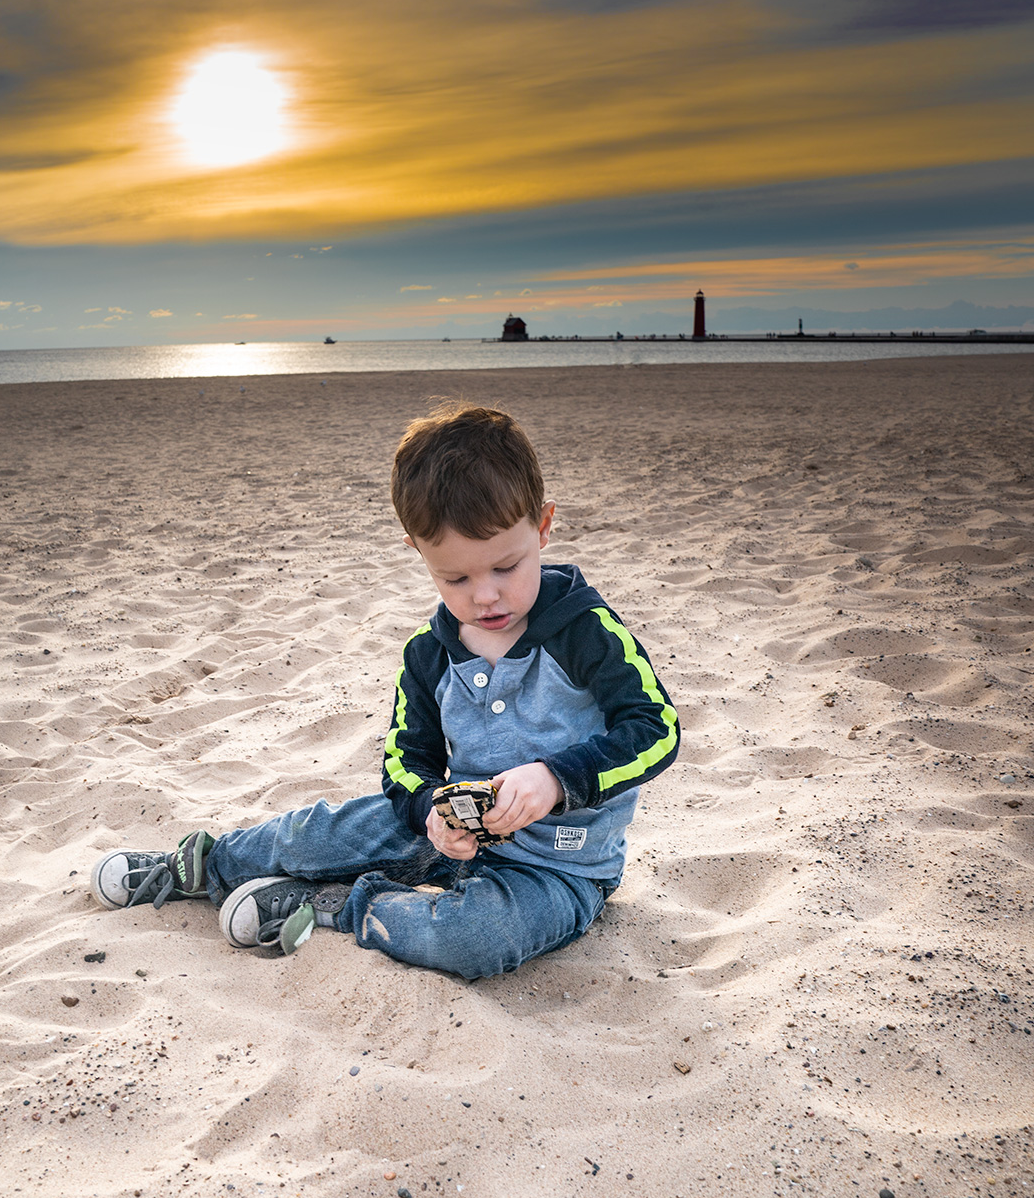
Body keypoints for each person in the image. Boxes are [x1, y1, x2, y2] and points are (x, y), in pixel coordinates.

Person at [90, 405, 679, 980]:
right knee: (316, 832)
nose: (486, 597)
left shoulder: (586, 631)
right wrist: (428, 811)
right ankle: (200, 866)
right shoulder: (429, 651)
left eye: (506, 566)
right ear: (417, 552)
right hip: (452, 837)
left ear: (543, 528)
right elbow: (405, 762)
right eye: (456, 578)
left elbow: (656, 728)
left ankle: (333, 906)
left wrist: (555, 779)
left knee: (473, 940)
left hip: (560, 868)